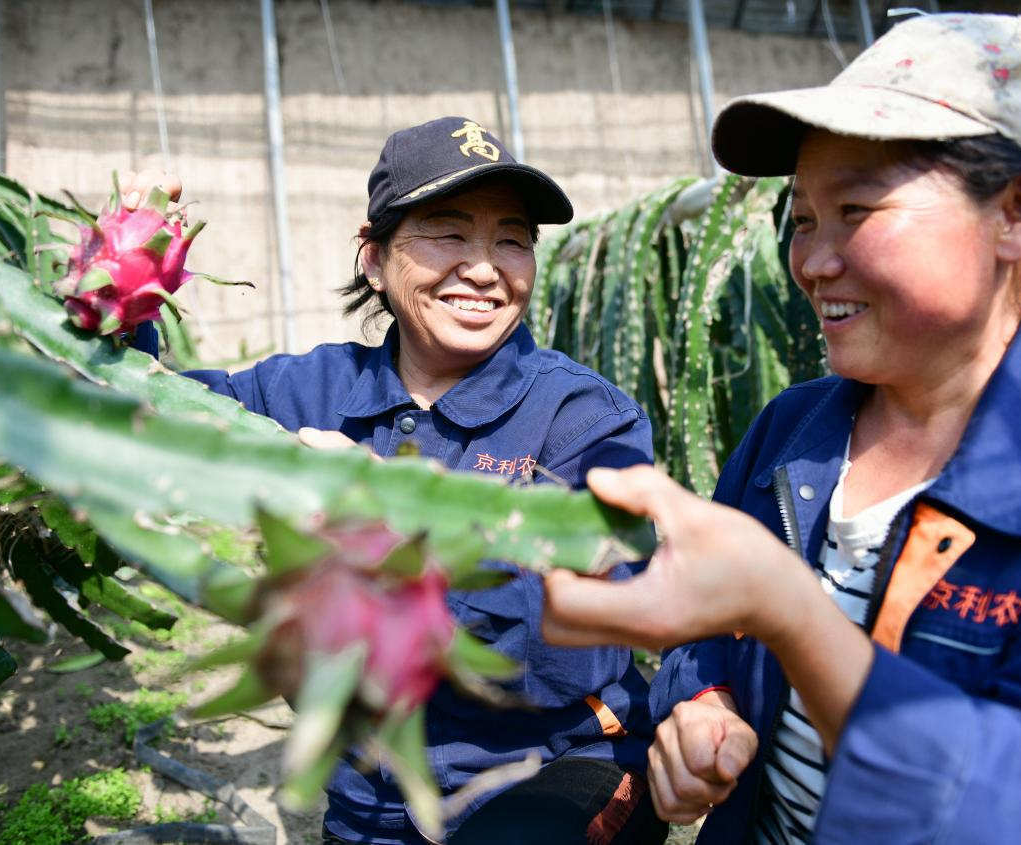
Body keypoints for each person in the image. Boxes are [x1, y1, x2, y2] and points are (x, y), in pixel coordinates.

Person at [541, 13, 1021, 844]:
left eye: (856, 207)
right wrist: (703, 702)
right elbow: (709, 636)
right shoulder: (790, 432)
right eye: (803, 217)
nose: (811, 260)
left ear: (1017, 214)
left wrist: (790, 614)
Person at [129, 117, 666, 844]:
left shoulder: (583, 419)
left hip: (557, 763)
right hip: (373, 794)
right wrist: (123, 301)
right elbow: (148, 412)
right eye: (447, 233)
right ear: (375, 258)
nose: (484, 267)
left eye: (511, 238)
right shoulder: (307, 391)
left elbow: (589, 639)